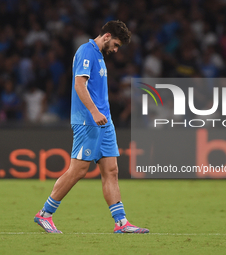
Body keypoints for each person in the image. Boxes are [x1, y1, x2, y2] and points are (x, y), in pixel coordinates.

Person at [34, 20, 149, 234]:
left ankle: (121, 223)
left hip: (104, 122)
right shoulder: (86, 51)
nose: (115, 50)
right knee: (78, 170)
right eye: (115, 44)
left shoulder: (99, 56)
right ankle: (45, 214)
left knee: (111, 170)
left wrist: (102, 114)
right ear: (106, 36)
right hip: (88, 120)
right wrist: (95, 112)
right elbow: (79, 84)